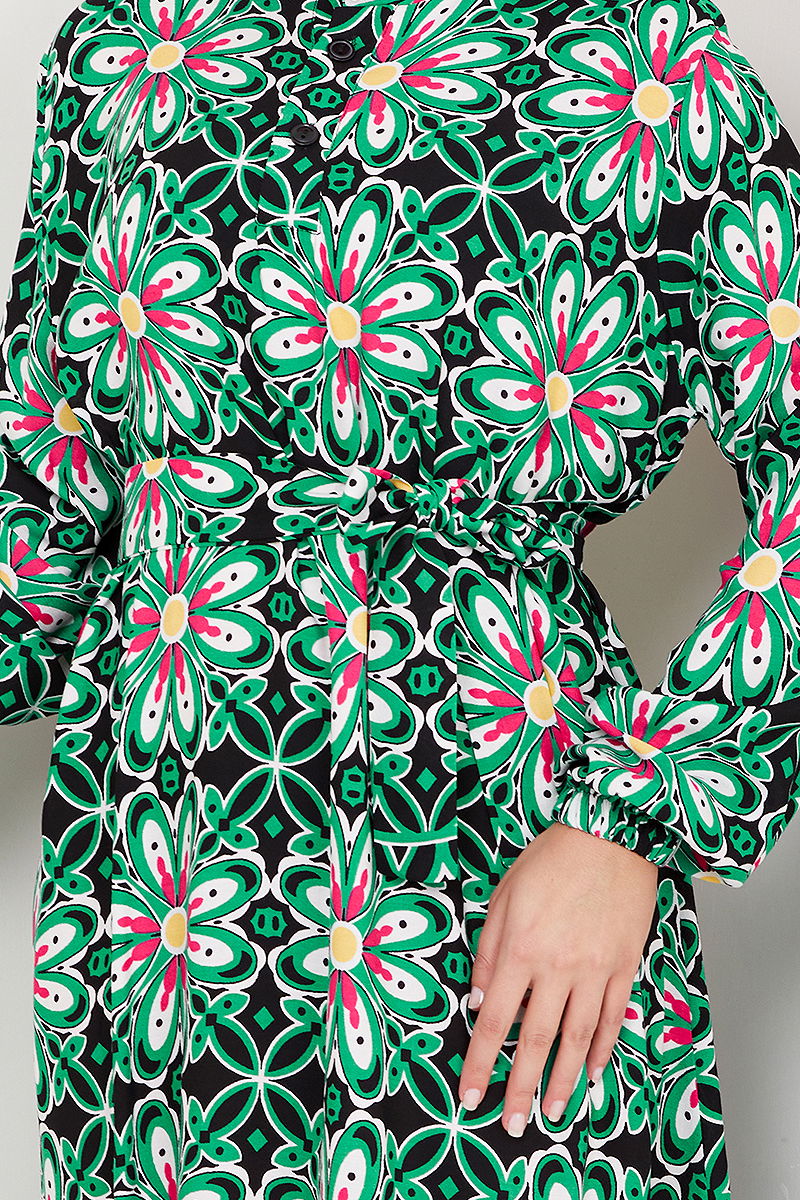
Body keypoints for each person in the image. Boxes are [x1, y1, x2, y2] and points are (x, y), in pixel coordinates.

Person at [2, 0, 799, 1194]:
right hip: (172, 888)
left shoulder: (646, 61)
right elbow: (40, 511)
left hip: (504, 859)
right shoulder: (119, 45)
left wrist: (634, 821)